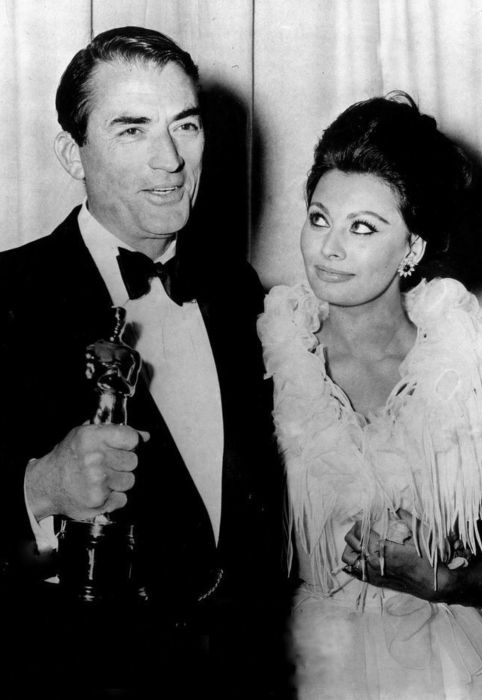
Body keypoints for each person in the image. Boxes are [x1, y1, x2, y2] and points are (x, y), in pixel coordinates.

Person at [0, 26, 287, 699]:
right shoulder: (8, 297)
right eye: (132, 130)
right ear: (73, 154)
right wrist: (38, 489)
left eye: (185, 126)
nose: (171, 161)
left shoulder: (236, 288)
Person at [257, 91, 482, 699]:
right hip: (307, 665)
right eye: (319, 218)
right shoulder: (269, 361)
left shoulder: (472, 368)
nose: (329, 247)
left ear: (412, 249)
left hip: (448, 670)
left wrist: (444, 582)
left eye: (362, 227)